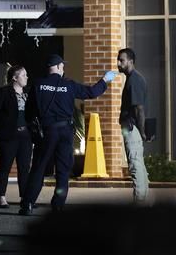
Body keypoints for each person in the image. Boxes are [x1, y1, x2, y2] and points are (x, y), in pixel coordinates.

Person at [18, 54, 116, 215]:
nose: (63, 68)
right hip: (65, 131)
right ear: (56, 67)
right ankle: (58, 205)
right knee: (63, 171)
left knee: (39, 168)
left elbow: (29, 112)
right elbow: (91, 93)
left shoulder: (38, 84)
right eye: (62, 66)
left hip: (47, 131)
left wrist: (33, 130)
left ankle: (27, 204)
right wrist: (105, 80)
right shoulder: (69, 85)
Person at [0, 65, 32, 208]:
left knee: (24, 168)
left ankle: (25, 198)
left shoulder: (28, 93)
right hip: (9, 137)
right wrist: (1, 129)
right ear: (14, 77)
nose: (26, 77)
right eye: (23, 75)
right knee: (5, 167)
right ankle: (2, 197)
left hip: (26, 137)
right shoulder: (4, 92)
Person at [117, 48, 151, 203]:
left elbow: (139, 108)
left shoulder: (134, 80)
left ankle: (139, 204)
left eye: (121, 60)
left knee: (135, 165)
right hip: (132, 128)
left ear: (130, 61)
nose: (118, 63)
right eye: (118, 60)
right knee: (139, 165)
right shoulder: (133, 78)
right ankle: (143, 201)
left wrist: (142, 132)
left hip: (132, 129)